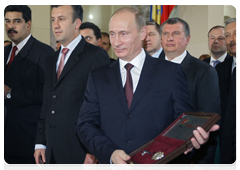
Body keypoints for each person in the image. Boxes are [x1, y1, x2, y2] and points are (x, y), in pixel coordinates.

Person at [76, 7, 219, 170]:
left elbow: (181, 123)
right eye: (112, 34)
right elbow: (85, 124)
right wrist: (110, 154)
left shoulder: (170, 73)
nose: (116, 42)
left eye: (124, 33)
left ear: (143, 33)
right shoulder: (98, 76)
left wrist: (194, 138)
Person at [34, 5, 110, 170]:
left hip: (80, 152)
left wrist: (93, 150)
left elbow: (104, 108)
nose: (56, 25)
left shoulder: (95, 55)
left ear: (77, 23)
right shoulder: (51, 59)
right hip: (51, 151)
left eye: (61, 19)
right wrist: (40, 142)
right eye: (53, 20)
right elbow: (47, 103)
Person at [159, 17, 220, 170]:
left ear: (187, 39)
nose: (170, 38)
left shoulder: (204, 71)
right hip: (153, 155)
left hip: (187, 158)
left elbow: (210, 121)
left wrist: (201, 164)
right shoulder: (150, 68)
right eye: (165, 34)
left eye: (176, 33)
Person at [4, 5, 54, 170]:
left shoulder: (44, 52)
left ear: (28, 24)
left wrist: (10, 93)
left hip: (28, 140)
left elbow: (47, 94)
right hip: (5, 140)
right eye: (7, 21)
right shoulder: (4, 52)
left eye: (17, 21)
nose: (11, 26)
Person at [215, 18, 238, 169]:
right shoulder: (220, 70)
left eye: (236, 33)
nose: (231, 39)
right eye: (227, 35)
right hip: (227, 142)